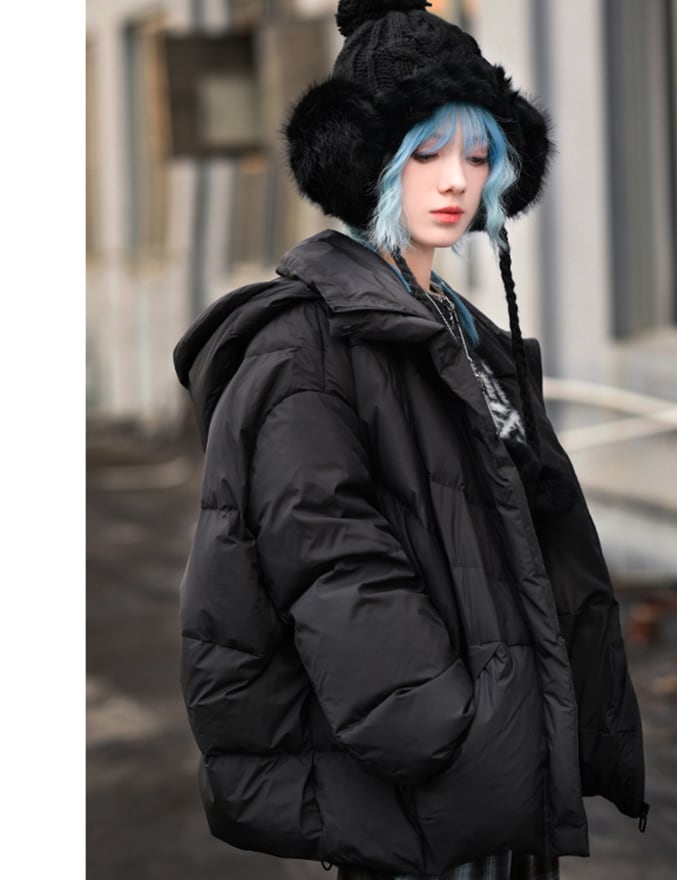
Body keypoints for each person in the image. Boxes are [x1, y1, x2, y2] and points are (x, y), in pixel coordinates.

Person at [172, 2, 648, 877]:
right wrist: (447, 732)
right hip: (430, 795)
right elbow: (331, 563)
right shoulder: (307, 345)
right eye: (426, 152)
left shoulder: (459, 329)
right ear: (365, 161)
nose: (456, 179)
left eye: (478, 154)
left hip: (497, 784)